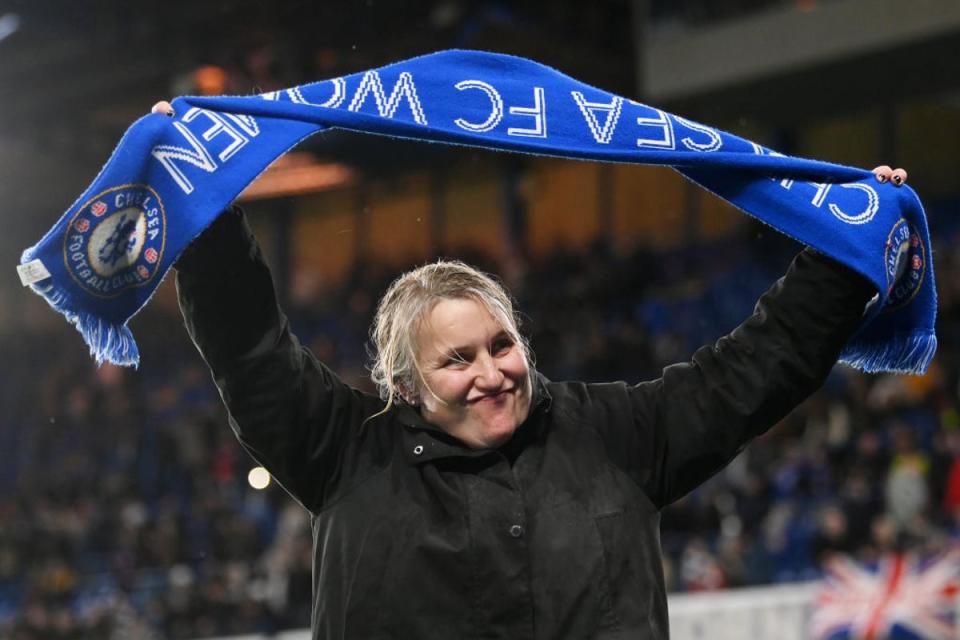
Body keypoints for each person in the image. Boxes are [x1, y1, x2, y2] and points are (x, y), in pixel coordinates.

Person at [161, 91, 908, 640]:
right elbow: (247, 344)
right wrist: (200, 199)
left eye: (500, 344)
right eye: (456, 360)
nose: (492, 372)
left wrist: (843, 258)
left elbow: (755, 368)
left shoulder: (615, 432)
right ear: (404, 386)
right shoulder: (344, 451)